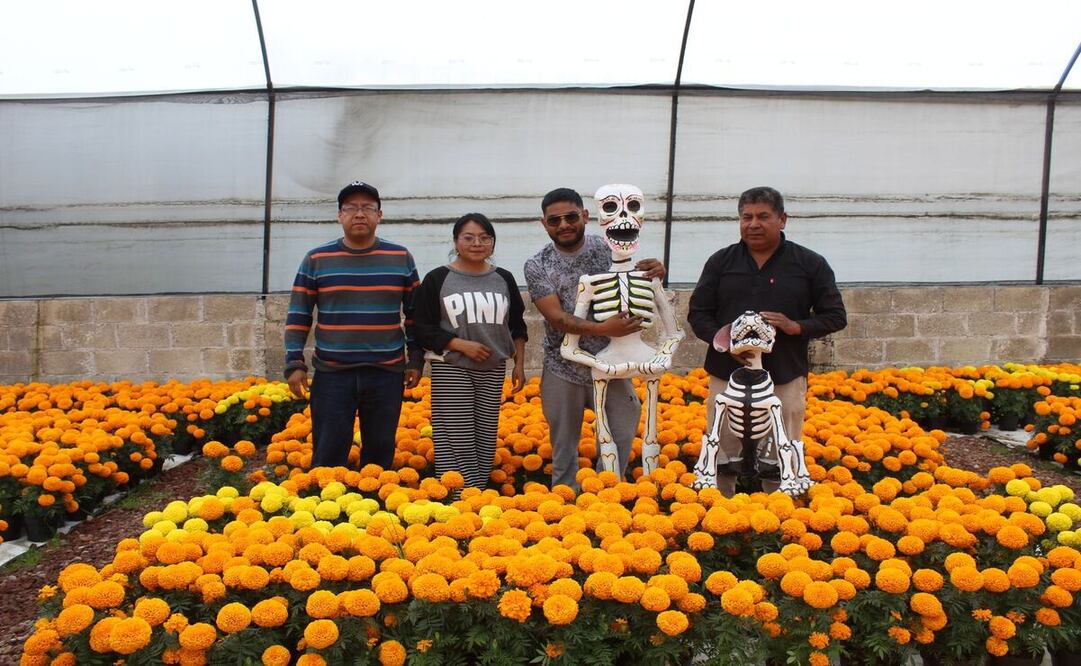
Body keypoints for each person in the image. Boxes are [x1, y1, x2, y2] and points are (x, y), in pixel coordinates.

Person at [688, 186, 847, 495]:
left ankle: (779, 516)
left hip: (785, 373)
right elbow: (698, 314)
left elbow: (836, 316)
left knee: (783, 448)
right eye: (746, 217)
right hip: (727, 373)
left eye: (763, 216)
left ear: (782, 219)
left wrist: (794, 326)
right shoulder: (721, 262)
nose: (753, 224)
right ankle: (718, 513)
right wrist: (724, 342)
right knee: (721, 447)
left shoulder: (809, 264)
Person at [523, 187, 665, 491]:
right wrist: (603, 329)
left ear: (585, 216)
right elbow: (556, 318)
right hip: (564, 368)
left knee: (623, 432)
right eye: (554, 220)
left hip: (614, 363)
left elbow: (637, 277)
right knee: (563, 447)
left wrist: (654, 270)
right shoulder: (537, 265)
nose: (564, 225)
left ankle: (608, 497)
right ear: (544, 224)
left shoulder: (608, 249)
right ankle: (563, 506)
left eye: (571, 217)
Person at [284, 181, 423, 470]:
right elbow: (299, 314)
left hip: (385, 372)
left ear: (379, 215)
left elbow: (414, 314)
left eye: (367, 208)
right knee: (328, 453)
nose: (359, 214)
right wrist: (294, 361)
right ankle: (325, 509)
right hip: (333, 373)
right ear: (340, 216)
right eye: (351, 208)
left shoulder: (400, 257)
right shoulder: (317, 259)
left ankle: (375, 507)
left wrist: (416, 359)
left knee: (380, 455)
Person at [414, 213, 528, 493]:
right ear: (455, 241)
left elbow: (517, 324)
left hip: (493, 368)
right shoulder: (438, 278)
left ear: (492, 243)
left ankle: (476, 494)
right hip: (452, 366)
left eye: (484, 237)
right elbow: (421, 326)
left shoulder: (503, 278)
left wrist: (519, 364)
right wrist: (458, 344)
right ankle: (459, 497)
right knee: (457, 435)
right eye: (469, 237)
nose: (477, 243)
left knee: (485, 436)